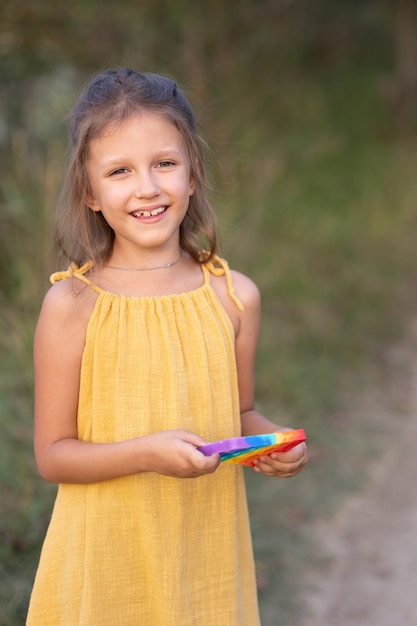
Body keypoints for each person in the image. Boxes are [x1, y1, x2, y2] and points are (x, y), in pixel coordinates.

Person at [27, 67, 307, 626]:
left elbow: (241, 410)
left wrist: (268, 443)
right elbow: (53, 455)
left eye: (164, 163)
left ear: (193, 172)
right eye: (119, 171)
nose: (147, 187)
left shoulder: (234, 297)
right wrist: (146, 454)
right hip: (107, 563)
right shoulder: (73, 306)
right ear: (89, 191)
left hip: (202, 557)